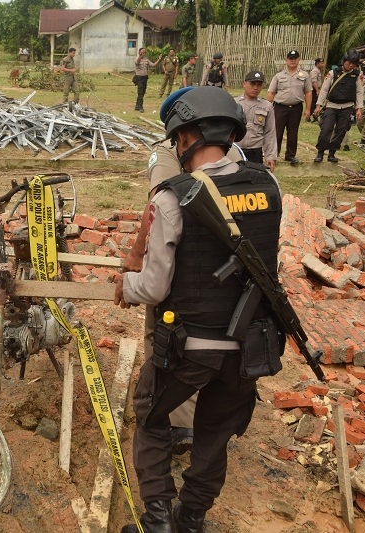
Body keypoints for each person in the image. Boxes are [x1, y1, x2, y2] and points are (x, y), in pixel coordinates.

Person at [116, 85, 282, 533]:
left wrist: (126, 285)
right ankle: (190, 520)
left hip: (189, 346)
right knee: (215, 433)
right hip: (249, 347)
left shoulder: (172, 197)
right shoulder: (269, 186)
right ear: (231, 135)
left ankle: (157, 519)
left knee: (151, 414)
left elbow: (154, 287)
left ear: (186, 137)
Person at [126, 87, 246, 455]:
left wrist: (136, 254)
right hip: (229, 265)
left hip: (183, 256)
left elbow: (156, 203)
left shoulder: (167, 152)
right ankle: (205, 416)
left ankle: (176, 421)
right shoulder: (235, 151)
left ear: (181, 133)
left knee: (164, 333)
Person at [313, 50, 363, 163]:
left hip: (347, 107)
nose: (350, 65)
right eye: (349, 63)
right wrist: (318, 106)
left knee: (341, 131)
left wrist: (359, 108)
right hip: (332, 106)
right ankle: (320, 152)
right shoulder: (333, 73)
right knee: (326, 129)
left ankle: (332, 153)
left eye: (353, 64)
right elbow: (324, 90)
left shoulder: (357, 75)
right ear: (344, 61)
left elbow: (359, 92)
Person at [267, 50, 311, 164]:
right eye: (290, 59)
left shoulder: (304, 75)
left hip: (296, 108)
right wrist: (267, 108)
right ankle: (274, 155)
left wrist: (308, 109)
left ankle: (290, 156)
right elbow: (271, 92)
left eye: (295, 58)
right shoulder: (278, 76)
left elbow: (308, 92)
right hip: (280, 108)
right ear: (286, 60)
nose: (293, 61)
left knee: (293, 132)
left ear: (298, 60)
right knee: (277, 132)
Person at [236, 70, 277, 172]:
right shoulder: (234, 103)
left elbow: (270, 132)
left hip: (255, 152)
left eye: (259, 85)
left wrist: (270, 156)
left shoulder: (267, 106)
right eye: (252, 84)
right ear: (244, 84)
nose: (255, 87)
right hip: (236, 150)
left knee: (255, 179)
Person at [135, 47, 162, 113]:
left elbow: (153, 65)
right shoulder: (137, 59)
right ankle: (140, 107)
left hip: (145, 78)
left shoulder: (146, 60)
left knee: (143, 92)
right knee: (140, 92)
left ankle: (137, 106)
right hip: (139, 77)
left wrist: (159, 59)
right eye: (141, 53)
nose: (143, 54)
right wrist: (140, 57)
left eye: (144, 53)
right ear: (139, 53)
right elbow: (137, 62)